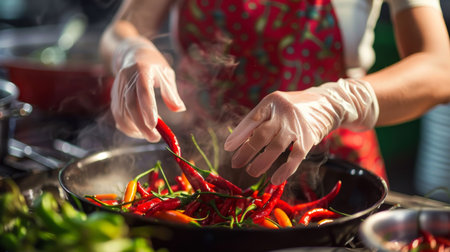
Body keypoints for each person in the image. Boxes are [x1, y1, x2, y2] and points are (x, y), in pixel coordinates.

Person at [99, 0, 450, 186]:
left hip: (332, 175)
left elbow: (440, 69)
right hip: (201, 171)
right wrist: (130, 49)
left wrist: (336, 102)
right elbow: (122, 27)